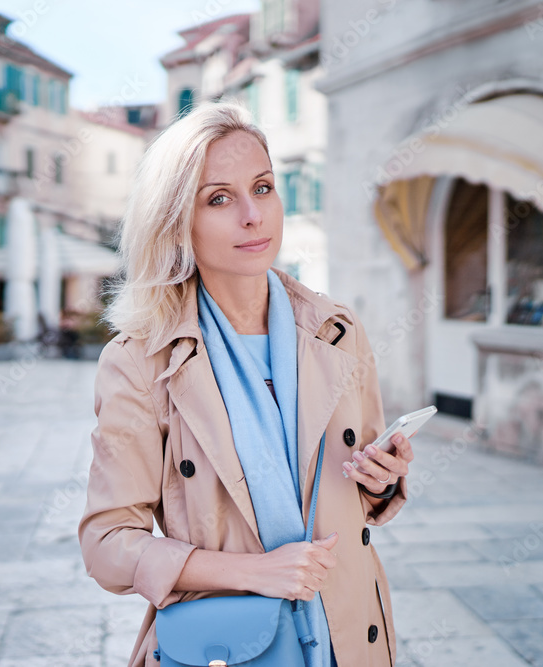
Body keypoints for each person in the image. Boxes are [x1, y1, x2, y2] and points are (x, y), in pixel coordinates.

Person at [78, 102, 415, 667]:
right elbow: (107, 545)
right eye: (218, 198)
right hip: (227, 645)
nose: (253, 215)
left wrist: (381, 480)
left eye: (262, 187)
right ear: (177, 221)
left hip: (348, 637)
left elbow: (360, 499)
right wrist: (252, 572)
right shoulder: (140, 361)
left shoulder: (336, 331)